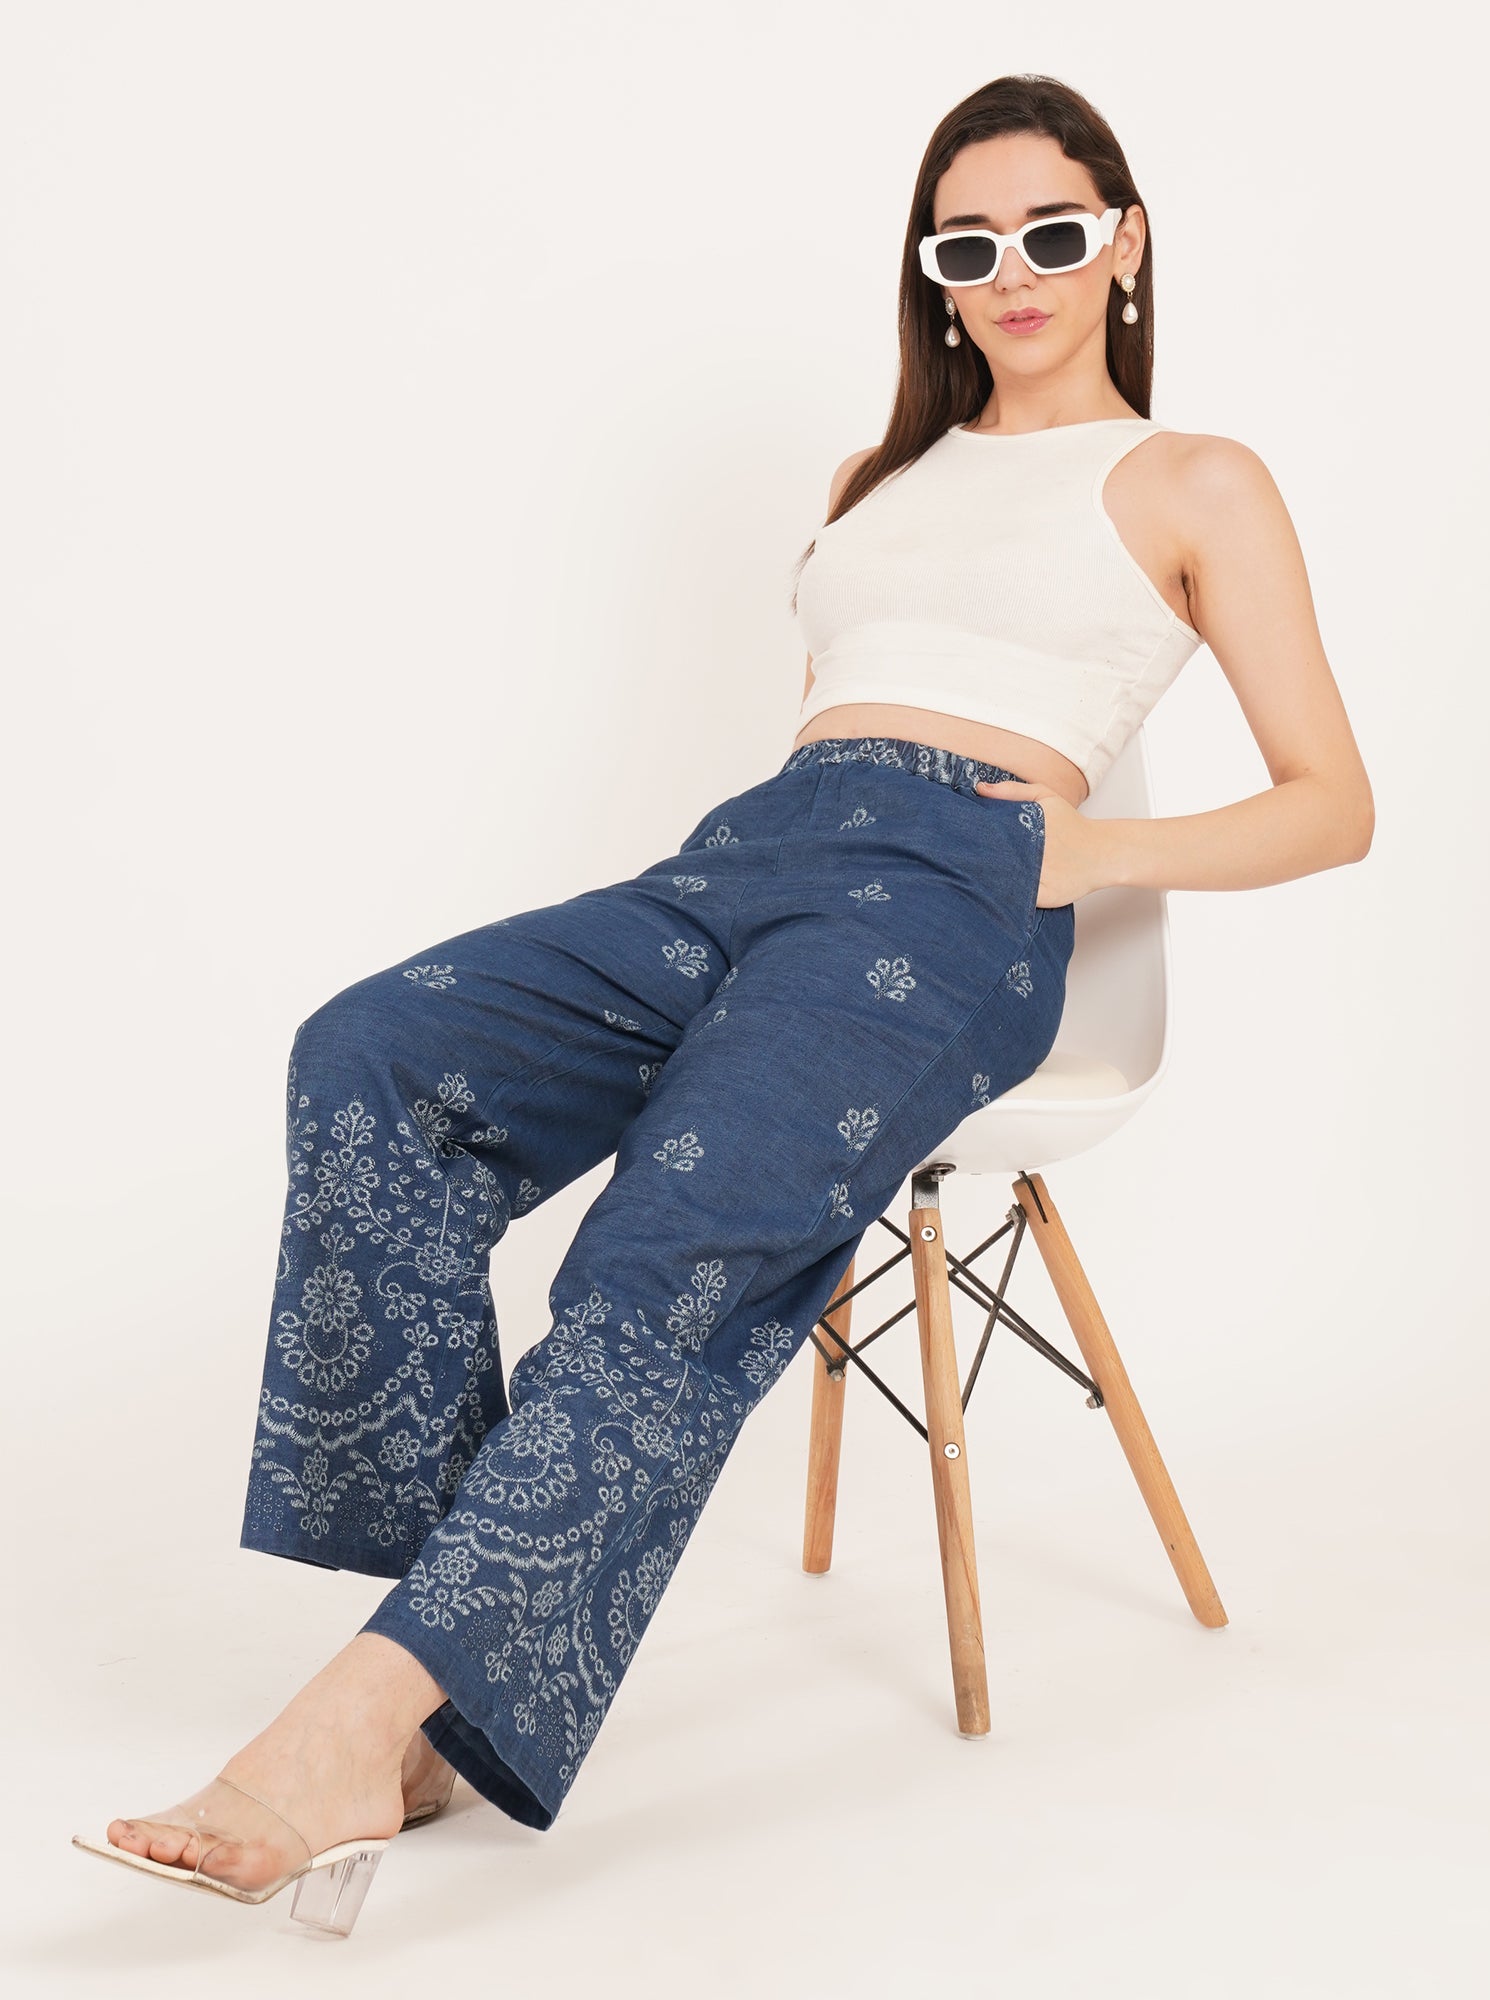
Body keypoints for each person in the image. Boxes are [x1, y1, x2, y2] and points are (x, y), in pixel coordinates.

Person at [72, 72, 1375, 1932]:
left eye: (1055, 234)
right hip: (749, 858)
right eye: (971, 243)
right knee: (373, 1055)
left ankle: (358, 1724)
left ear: (1126, 243)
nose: (1015, 272)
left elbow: (1338, 804)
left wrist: (1076, 863)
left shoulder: (1191, 479)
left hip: (951, 895)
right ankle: (442, 1657)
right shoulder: (881, 479)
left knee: (667, 1241)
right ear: (932, 272)